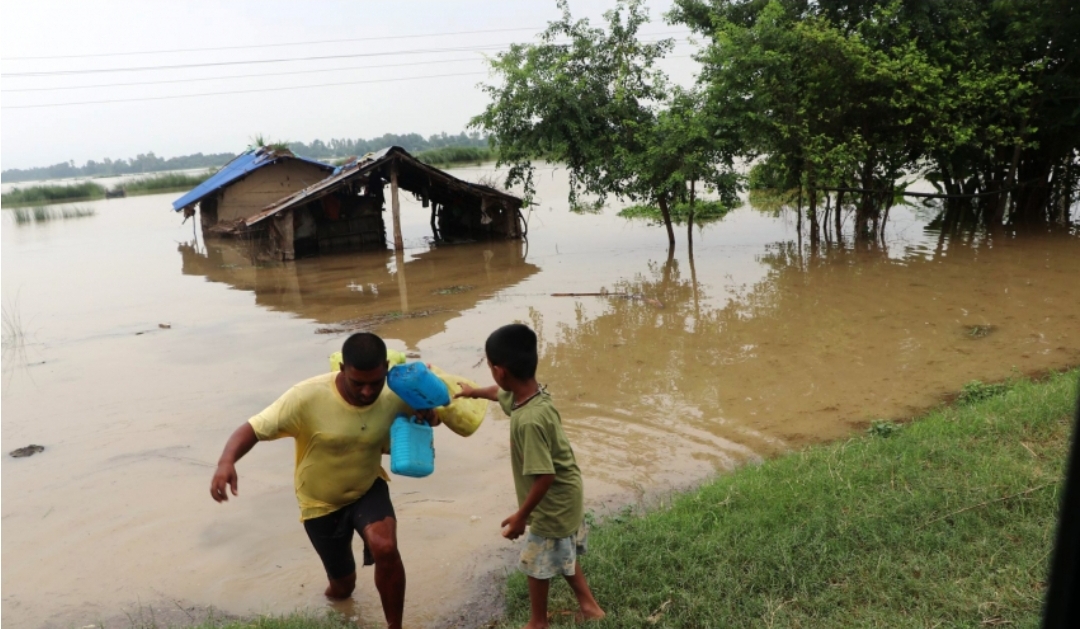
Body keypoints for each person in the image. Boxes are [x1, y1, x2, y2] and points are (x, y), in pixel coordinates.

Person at [210, 332, 438, 629]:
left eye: (375, 382)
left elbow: (431, 420)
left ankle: (395, 627)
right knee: (343, 587)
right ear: (342, 368)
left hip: (367, 487)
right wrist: (226, 462)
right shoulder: (307, 396)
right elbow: (252, 428)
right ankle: (332, 612)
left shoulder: (396, 391)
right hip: (320, 503)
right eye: (359, 383)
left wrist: (429, 409)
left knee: (385, 547)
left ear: (385, 368)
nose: (368, 392)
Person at [456, 323, 605, 628]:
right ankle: (590, 608)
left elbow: (545, 476)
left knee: (536, 564)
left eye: (489, 368)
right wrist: (473, 393)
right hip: (566, 493)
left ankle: (537, 623)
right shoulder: (532, 395)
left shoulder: (529, 421)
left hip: (551, 501)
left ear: (499, 371)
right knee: (562, 552)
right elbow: (500, 395)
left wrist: (522, 516)